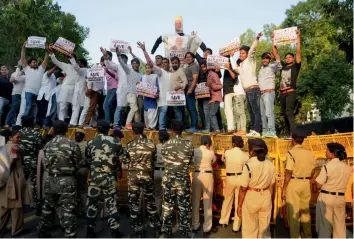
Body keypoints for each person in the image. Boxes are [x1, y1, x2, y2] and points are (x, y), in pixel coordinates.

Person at [37, 120, 82, 238]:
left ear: (54, 130)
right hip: (68, 180)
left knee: (48, 206)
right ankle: (69, 233)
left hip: (51, 179)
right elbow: (79, 163)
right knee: (68, 209)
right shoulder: (72, 144)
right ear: (67, 130)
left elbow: (45, 163)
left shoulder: (48, 145)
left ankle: (43, 231)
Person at [85, 120, 123, 238]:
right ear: (109, 130)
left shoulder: (91, 142)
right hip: (109, 176)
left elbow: (87, 160)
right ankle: (115, 230)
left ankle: (90, 230)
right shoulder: (116, 142)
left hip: (95, 176)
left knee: (92, 203)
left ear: (97, 129)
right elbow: (120, 160)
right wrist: (117, 169)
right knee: (111, 203)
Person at [122, 122, 160, 237]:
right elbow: (154, 160)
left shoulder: (129, 145)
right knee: (150, 203)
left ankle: (138, 231)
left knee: (134, 204)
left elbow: (124, 164)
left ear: (133, 132)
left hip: (133, 177)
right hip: (147, 176)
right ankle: (155, 229)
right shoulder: (151, 144)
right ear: (143, 130)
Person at [161, 120, 194, 237]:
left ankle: (167, 232)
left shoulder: (165, 145)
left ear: (172, 130)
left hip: (169, 179)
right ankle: (185, 232)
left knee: (167, 206)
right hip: (183, 180)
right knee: (184, 207)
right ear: (182, 131)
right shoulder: (189, 145)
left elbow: (165, 161)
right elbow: (190, 162)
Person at [237, 138, 276, 238]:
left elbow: (243, 189)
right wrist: (270, 200)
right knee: (265, 230)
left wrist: (239, 205)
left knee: (250, 230)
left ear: (251, 150)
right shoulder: (271, 164)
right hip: (266, 196)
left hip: (251, 197)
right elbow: (272, 186)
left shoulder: (248, 166)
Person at [282, 130, 316, 238]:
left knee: (293, 214)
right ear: (303, 141)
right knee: (305, 212)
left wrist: (284, 188)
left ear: (293, 140)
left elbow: (288, 172)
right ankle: (307, 235)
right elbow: (312, 171)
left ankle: (296, 236)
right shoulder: (310, 153)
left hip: (294, 182)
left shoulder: (291, 153)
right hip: (306, 183)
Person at [315, 143, 351, 238]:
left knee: (324, 226)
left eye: (327, 150)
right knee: (340, 227)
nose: (325, 152)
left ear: (332, 153)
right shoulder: (346, 167)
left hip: (326, 197)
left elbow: (318, 184)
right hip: (340, 197)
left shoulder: (327, 166)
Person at [0, 130, 30, 237]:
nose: (19, 139)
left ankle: (1, 227)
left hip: (4, 181)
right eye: (17, 137)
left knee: (4, 206)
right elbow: (10, 163)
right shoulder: (15, 148)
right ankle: (17, 230)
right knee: (17, 206)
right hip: (13, 180)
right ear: (10, 138)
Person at [232, 33, 263, 136]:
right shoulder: (242, 65)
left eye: (243, 53)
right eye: (240, 54)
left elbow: (252, 50)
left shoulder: (250, 60)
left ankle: (257, 130)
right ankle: (253, 130)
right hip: (248, 91)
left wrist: (256, 39)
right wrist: (231, 57)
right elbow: (235, 68)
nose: (241, 55)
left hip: (253, 88)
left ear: (247, 54)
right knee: (250, 110)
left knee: (255, 109)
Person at [273, 30, 301, 134]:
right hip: (282, 93)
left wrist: (298, 37)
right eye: (286, 57)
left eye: (290, 57)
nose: (288, 58)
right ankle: (289, 132)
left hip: (290, 91)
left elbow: (298, 51)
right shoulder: (282, 67)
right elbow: (276, 54)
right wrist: (273, 40)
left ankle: (294, 133)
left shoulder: (295, 66)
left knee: (289, 112)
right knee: (284, 113)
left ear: (293, 58)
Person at [139, 42, 172, 130]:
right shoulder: (159, 72)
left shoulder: (171, 74)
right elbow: (150, 63)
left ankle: (163, 128)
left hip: (170, 98)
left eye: (166, 62)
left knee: (167, 113)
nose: (164, 64)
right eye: (163, 62)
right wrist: (144, 50)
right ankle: (161, 128)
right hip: (157, 98)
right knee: (160, 113)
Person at [219, 135, 248, 232]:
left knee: (227, 200)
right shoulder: (245, 155)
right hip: (240, 177)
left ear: (233, 143)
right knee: (238, 202)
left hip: (230, 178)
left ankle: (223, 221)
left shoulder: (227, 152)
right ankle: (236, 226)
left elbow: (223, 160)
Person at [109, 47, 142, 129]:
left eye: (136, 63)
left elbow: (141, 84)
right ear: (131, 65)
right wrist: (118, 55)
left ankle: (137, 125)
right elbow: (122, 63)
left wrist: (131, 52)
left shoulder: (140, 74)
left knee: (137, 110)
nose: (135, 64)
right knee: (134, 108)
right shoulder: (129, 70)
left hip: (138, 93)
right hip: (130, 93)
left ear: (138, 65)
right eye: (133, 63)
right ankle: (127, 124)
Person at [192, 135, 216, 235]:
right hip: (208, 176)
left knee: (195, 202)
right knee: (207, 203)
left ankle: (195, 224)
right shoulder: (210, 153)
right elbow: (214, 160)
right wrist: (212, 150)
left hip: (197, 175)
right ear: (208, 143)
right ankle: (207, 227)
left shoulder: (195, 151)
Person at [48, 44, 78, 121]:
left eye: (71, 57)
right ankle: (61, 122)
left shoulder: (78, 68)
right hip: (66, 88)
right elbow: (56, 61)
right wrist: (51, 53)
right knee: (62, 105)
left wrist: (72, 56)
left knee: (75, 107)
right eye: (68, 57)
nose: (69, 58)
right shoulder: (66, 66)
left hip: (75, 89)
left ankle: (73, 123)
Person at [18, 116, 42, 213]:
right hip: (32, 162)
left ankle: (20, 202)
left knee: (20, 182)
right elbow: (39, 149)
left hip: (20, 162)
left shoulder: (18, 133)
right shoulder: (36, 134)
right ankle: (34, 203)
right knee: (34, 184)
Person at [20, 41, 49, 119]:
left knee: (36, 109)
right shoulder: (27, 69)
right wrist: (23, 48)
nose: (36, 63)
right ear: (29, 64)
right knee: (28, 106)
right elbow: (23, 58)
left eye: (36, 62)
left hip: (37, 93)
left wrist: (47, 52)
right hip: (28, 91)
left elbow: (45, 61)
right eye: (34, 62)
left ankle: (33, 124)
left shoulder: (40, 69)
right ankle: (24, 124)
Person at [258, 52, 282, 137]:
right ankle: (265, 131)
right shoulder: (261, 69)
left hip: (268, 92)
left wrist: (275, 56)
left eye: (266, 58)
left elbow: (279, 65)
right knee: (262, 114)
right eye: (263, 58)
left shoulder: (272, 66)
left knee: (269, 112)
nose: (264, 60)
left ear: (269, 59)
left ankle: (272, 131)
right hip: (261, 93)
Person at [199, 61, 223, 133]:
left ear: (208, 66)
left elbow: (220, 85)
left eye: (204, 67)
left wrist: (212, 87)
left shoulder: (213, 74)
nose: (203, 69)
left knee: (212, 113)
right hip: (211, 97)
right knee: (210, 114)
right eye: (202, 67)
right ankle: (212, 129)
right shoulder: (208, 75)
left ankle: (216, 129)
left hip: (215, 97)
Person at [36, 133, 54, 216]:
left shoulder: (42, 152)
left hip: (46, 175)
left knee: (46, 198)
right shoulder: (57, 150)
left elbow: (39, 170)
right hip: (57, 175)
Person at [69, 58, 88, 128]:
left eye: (78, 63)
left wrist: (71, 59)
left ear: (82, 64)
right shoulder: (78, 72)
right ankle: (73, 123)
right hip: (77, 92)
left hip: (85, 92)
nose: (77, 64)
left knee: (86, 108)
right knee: (75, 107)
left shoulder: (84, 70)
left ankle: (81, 123)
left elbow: (77, 68)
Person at [154, 129, 169, 219]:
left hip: (156, 172)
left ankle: (156, 215)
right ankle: (163, 217)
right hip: (165, 172)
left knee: (157, 195)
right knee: (166, 196)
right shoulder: (169, 147)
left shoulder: (156, 147)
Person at [74, 129, 89, 217]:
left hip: (74, 169)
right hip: (83, 169)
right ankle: (85, 210)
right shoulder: (87, 144)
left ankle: (77, 210)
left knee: (75, 191)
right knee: (83, 190)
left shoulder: (71, 143)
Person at [139, 64, 159, 130]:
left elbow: (157, 86)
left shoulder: (155, 76)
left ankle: (152, 127)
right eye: (146, 68)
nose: (148, 69)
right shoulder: (142, 77)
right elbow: (140, 87)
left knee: (152, 114)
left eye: (149, 68)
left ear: (152, 69)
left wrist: (157, 93)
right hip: (146, 99)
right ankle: (148, 128)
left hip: (153, 99)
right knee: (146, 115)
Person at [222, 55, 238, 134]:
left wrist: (228, 68)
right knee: (227, 110)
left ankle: (230, 128)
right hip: (226, 91)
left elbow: (234, 76)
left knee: (229, 110)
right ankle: (231, 127)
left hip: (230, 90)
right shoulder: (225, 69)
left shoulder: (231, 67)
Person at [101, 52, 118, 124]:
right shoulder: (105, 66)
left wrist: (108, 71)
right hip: (109, 88)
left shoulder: (113, 65)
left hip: (114, 87)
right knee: (110, 106)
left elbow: (117, 77)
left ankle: (107, 122)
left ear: (110, 57)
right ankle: (112, 122)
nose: (105, 57)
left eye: (106, 55)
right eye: (104, 56)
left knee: (106, 105)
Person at [5, 63, 24, 128]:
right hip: (16, 94)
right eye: (19, 66)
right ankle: (7, 123)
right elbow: (11, 80)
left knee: (20, 110)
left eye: (21, 66)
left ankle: (16, 124)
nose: (20, 67)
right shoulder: (14, 73)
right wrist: (18, 73)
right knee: (14, 109)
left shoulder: (27, 74)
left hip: (24, 95)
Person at [184, 52, 199, 133]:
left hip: (191, 91)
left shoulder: (194, 66)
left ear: (193, 58)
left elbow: (195, 79)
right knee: (189, 108)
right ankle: (193, 125)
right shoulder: (188, 67)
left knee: (192, 108)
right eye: (186, 57)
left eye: (190, 57)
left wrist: (191, 89)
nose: (188, 58)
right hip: (187, 90)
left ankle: (194, 126)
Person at [170, 57, 187, 122]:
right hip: (173, 95)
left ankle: (179, 127)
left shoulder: (180, 72)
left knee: (178, 111)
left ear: (179, 63)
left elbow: (185, 82)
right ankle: (178, 126)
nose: (174, 64)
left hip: (179, 95)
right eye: (173, 63)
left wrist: (179, 86)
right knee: (176, 111)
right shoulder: (172, 72)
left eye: (176, 63)